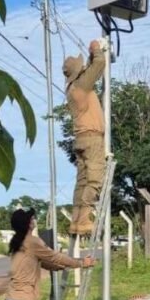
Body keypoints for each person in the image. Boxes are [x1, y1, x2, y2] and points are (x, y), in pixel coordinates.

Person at [63, 39, 107, 236]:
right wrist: (97, 51)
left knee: (81, 182)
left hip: (80, 139)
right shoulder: (82, 86)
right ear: (78, 72)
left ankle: (76, 222)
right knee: (95, 179)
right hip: (92, 139)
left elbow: (89, 69)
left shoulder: (72, 89)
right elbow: (98, 65)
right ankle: (85, 218)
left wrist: (89, 56)